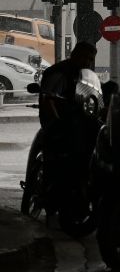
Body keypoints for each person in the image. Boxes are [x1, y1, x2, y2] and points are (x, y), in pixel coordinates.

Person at [38, 42, 98, 219]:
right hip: (60, 122)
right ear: (74, 54)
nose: (87, 61)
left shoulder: (88, 76)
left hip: (81, 121)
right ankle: (48, 193)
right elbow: (49, 99)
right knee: (56, 154)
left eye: (90, 59)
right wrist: (57, 120)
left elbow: (95, 96)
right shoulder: (59, 73)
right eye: (84, 57)